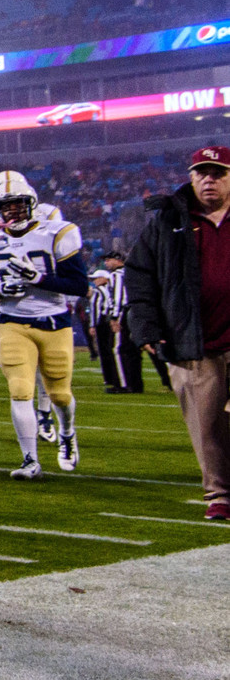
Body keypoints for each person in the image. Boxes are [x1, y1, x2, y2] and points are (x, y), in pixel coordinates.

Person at [125, 144, 230, 517]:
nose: (209, 180)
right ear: (190, 178)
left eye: (218, 173)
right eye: (201, 173)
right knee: (206, 424)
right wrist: (147, 328)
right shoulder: (168, 221)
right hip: (191, 341)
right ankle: (218, 495)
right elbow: (139, 275)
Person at [0, 170, 86, 477]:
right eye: (7, 206)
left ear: (31, 203)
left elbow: (79, 284)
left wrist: (39, 278)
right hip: (13, 322)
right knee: (20, 390)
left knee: (59, 394)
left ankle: (67, 434)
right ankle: (29, 459)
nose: (13, 211)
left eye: (19, 204)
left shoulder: (57, 231)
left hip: (54, 321)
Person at [86, 252, 142, 394]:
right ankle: (136, 384)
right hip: (136, 311)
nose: (106, 263)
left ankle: (123, 384)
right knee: (133, 350)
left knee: (118, 349)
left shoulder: (116, 275)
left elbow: (117, 297)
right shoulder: (132, 272)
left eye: (108, 260)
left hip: (122, 312)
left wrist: (114, 317)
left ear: (117, 260)